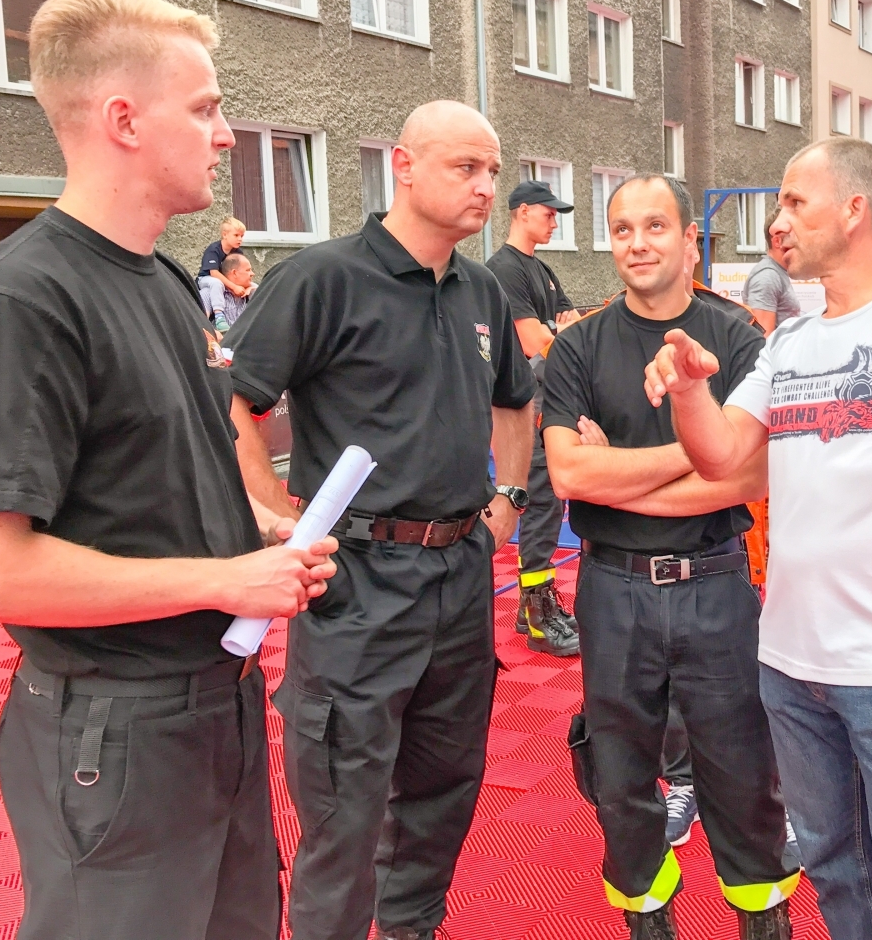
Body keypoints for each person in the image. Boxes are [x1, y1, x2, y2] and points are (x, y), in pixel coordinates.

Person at [0, 0, 337, 940]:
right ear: (123, 120)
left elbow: (150, 480)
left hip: (211, 710)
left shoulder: (158, 282)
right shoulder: (17, 303)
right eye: (205, 108)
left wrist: (264, 530)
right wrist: (228, 575)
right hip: (110, 729)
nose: (228, 133)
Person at [643, 138, 872, 940]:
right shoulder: (791, 341)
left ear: (854, 209)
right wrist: (688, 390)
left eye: (793, 203)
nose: (779, 223)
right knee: (839, 878)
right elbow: (723, 453)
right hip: (790, 667)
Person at [227, 99, 536, 940]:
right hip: (356, 582)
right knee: (344, 813)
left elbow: (517, 404)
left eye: (492, 172)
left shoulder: (482, 290)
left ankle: (413, 930)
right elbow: (233, 406)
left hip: (459, 575)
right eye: (465, 168)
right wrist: (268, 518)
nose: (485, 188)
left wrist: (506, 502)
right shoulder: (322, 277)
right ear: (403, 166)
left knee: (444, 791)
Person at [544, 174, 798, 940]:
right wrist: (697, 459)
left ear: (692, 240)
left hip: (716, 582)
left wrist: (617, 470)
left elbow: (752, 474)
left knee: (742, 768)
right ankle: (647, 919)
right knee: (620, 773)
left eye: (655, 226)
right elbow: (567, 475)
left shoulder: (738, 340)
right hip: (611, 590)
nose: (636, 244)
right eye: (621, 229)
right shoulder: (578, 346)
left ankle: (763, 915)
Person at [485, 179, 582, 658]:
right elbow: (534, 342)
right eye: (548, 212)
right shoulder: (503, 269)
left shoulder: (541, 270)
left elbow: (573, 329)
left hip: (548, 398)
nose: (554, 220)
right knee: (539, 502)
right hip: (525, 405)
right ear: (522, 211)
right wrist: (556, 333)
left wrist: (559, 332)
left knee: (547, 503)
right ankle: (535, 611)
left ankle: (536, 603)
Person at [740, 230, 801, 335]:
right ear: (777, 241)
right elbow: (762, 338)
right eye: (795, 236)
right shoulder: (767, 276)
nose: (800, 243)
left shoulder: (777, 272)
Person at [198, 216, 247, 330]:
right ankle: (219, 316)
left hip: (223, 282)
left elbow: (241, 273)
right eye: (236, 235)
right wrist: (234, 287)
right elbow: (214, 273)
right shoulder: (214, 249)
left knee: (254, 286)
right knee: (216, 283)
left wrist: (248, 287)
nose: (240, 239)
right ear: (225, 235)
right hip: (206, 279)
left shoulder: (237, 252)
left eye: (242, 236)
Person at [212, 251, 255, 329]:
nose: (252, 274)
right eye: (248, 270)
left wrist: (253, 289)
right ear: (234, 273)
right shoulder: (212, 294)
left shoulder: (252, 293)